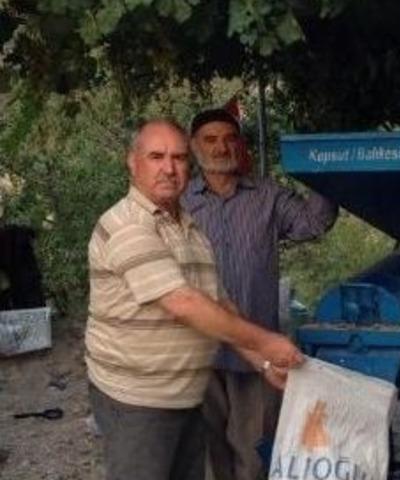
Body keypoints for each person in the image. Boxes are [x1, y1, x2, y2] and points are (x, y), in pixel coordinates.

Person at [85, 119, 303, 480]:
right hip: (138, 400)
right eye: (156, 156)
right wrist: (267, 341)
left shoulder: (189, 226)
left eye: (179, 158)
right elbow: (184, 303)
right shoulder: (126, 225)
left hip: (186, 396)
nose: (169, 168)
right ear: (132, 161)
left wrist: (263, 362)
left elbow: (218, 302)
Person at [181, 108, 338, 480]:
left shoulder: (266, 196)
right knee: (206, 453)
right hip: (197, 350)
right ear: (194, 147)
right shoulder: (180, 203)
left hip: (257, 350)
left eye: (229, 138)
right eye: (211, 140)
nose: (221, 147)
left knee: (255, 451)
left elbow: (313, 223)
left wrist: (323, 169)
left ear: (241, 144)